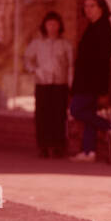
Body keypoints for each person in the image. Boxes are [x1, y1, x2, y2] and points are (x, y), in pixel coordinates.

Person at [69, 0, 111, 163]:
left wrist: (101, 84)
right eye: (86, 6)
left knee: (77, 110)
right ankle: (89, 151)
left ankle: (109, 126)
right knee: (89, 115)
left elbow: (102, 58)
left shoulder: (103, 28)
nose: (88, 9)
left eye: (92, 6)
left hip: (91, 80)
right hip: (85, 78)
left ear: (101, 8)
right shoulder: (92, 26)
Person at [23, 11, 73, 157]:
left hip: (60, 83)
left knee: (58, 115)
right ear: (45, 26)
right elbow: (27, 60)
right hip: (42, 83)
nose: (52, 27)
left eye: (55, 24)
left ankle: (58, 145)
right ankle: (43, 145)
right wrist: (35, 70)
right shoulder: (37, 44)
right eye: (49, 24)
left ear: (59, 26)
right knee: (42, 115)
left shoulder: (65, 44)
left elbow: (70, 65)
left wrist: (70, 83)